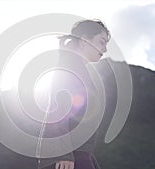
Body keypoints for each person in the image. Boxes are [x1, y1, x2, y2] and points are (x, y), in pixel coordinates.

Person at [38, 19, 111, 169]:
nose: (105, 50)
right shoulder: (70, 66)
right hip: (69, 158)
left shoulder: (78, 68)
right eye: (101, 42)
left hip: (78, 155)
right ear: (85, 41)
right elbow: (57, 111)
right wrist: (63, 154)